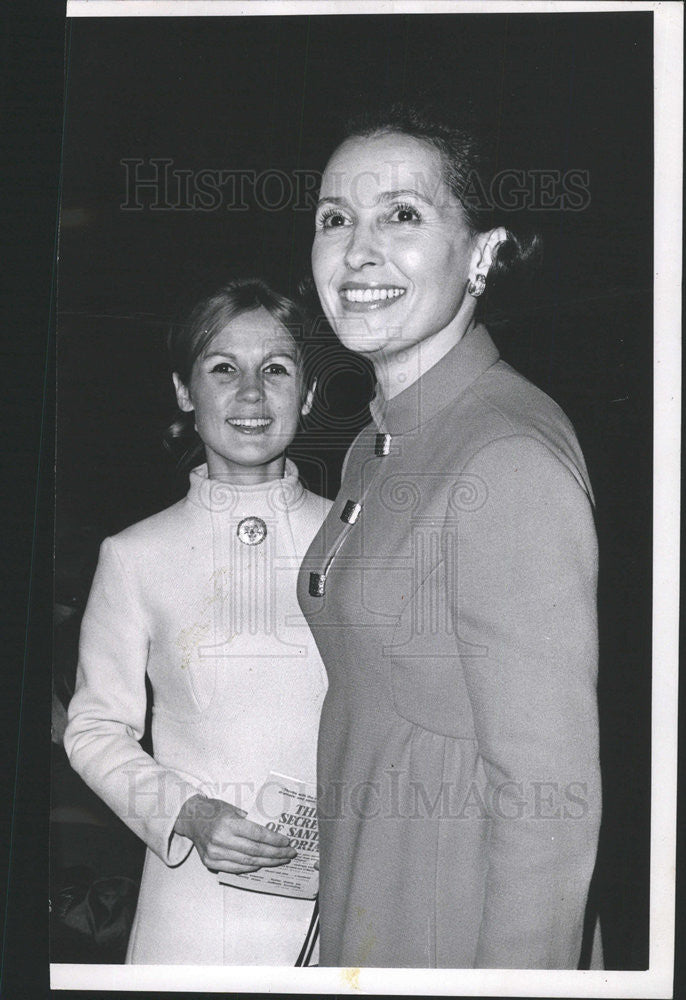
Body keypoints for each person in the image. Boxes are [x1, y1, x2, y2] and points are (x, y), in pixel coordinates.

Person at [297, 104, 602, 969]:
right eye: (334, 219)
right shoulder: (375, 443)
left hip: (452, 930)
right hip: (371, 901)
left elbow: (551, 804)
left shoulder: (504, 454)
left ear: (482, 253)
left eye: (402, 215)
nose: (358, 250)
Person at [65, 278, 332, 965]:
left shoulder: (356, 537)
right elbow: (94, 729)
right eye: (223, 369)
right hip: (195, 911)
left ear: (305, 394)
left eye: (276, 369)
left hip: (342, 906)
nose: (251, 394)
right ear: (185, 392)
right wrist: (188, 812)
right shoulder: (134, 555)